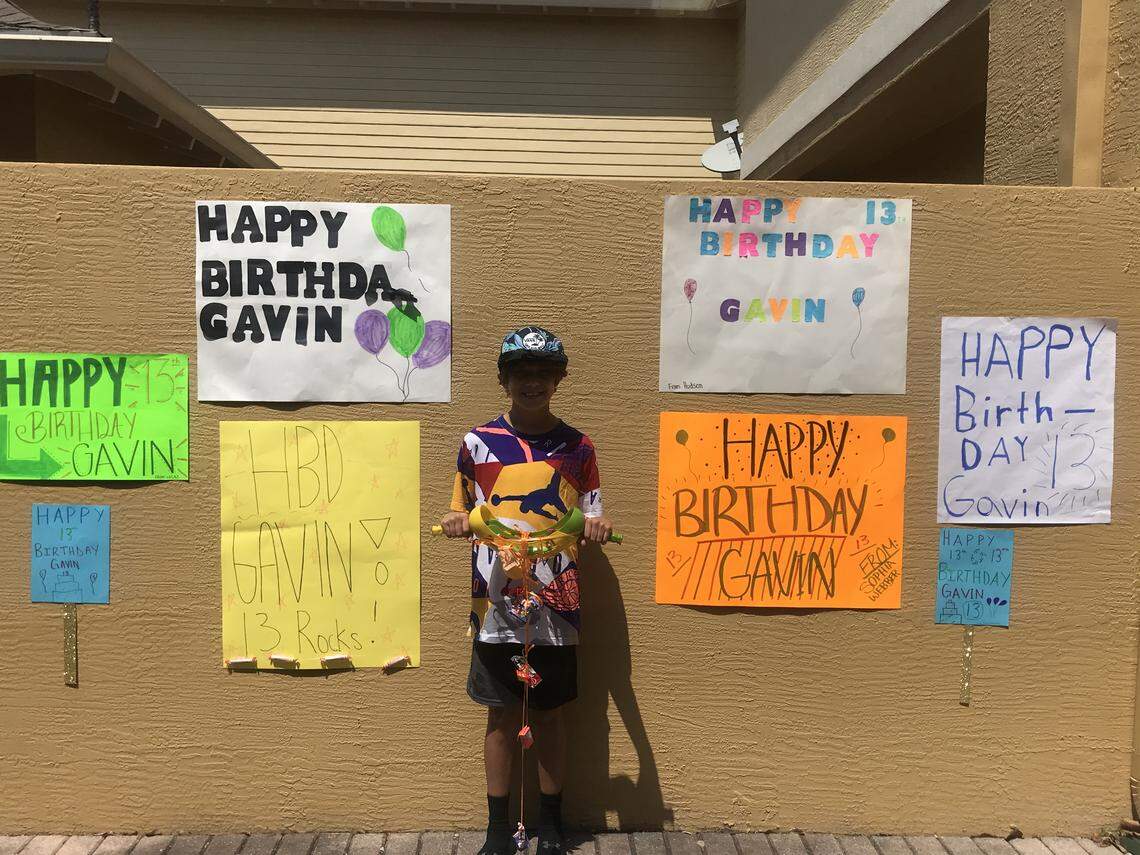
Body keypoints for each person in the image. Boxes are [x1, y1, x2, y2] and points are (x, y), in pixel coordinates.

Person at [439, 325, 613, 855]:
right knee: (499, 715)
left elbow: (593, 513)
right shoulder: (476, 442)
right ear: (503, 379)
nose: (532, 382)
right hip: (495, 603)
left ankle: (552, 828)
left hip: (557, 602)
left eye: (543, 373)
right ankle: (497, 830)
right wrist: (455, 521)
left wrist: (597, 526)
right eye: (521, 373)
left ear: (560, 379)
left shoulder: (579, 447)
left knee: (550, 715)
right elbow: (459, 507)